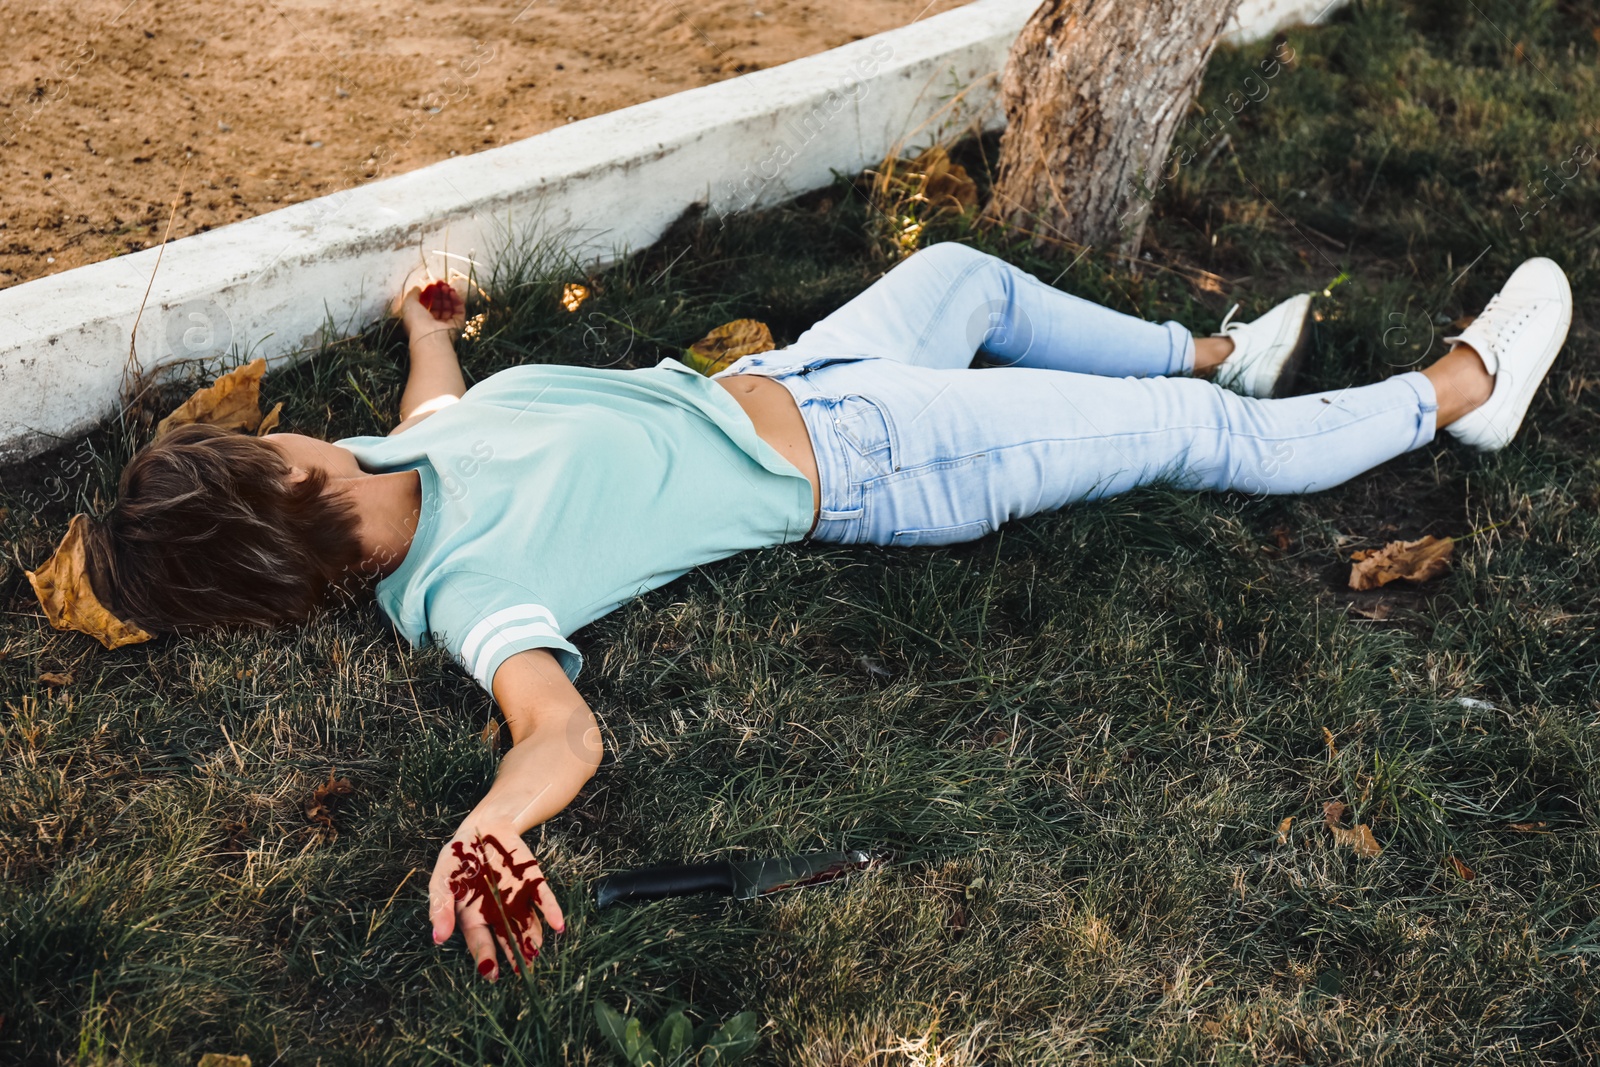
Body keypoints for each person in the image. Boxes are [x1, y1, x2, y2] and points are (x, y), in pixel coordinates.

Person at [84, 243, 1572, 981]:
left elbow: (442, 407)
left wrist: (427, 329)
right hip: (890, 457)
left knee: (959, 273)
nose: (287, 431)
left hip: (805, 381)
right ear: (289, 509)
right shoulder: (465, 594)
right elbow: (556, 726)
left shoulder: (407, 453)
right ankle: (1463, 395)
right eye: (266, 453)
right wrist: (489, 826)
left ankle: (1213, 348)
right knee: (1210, 458)